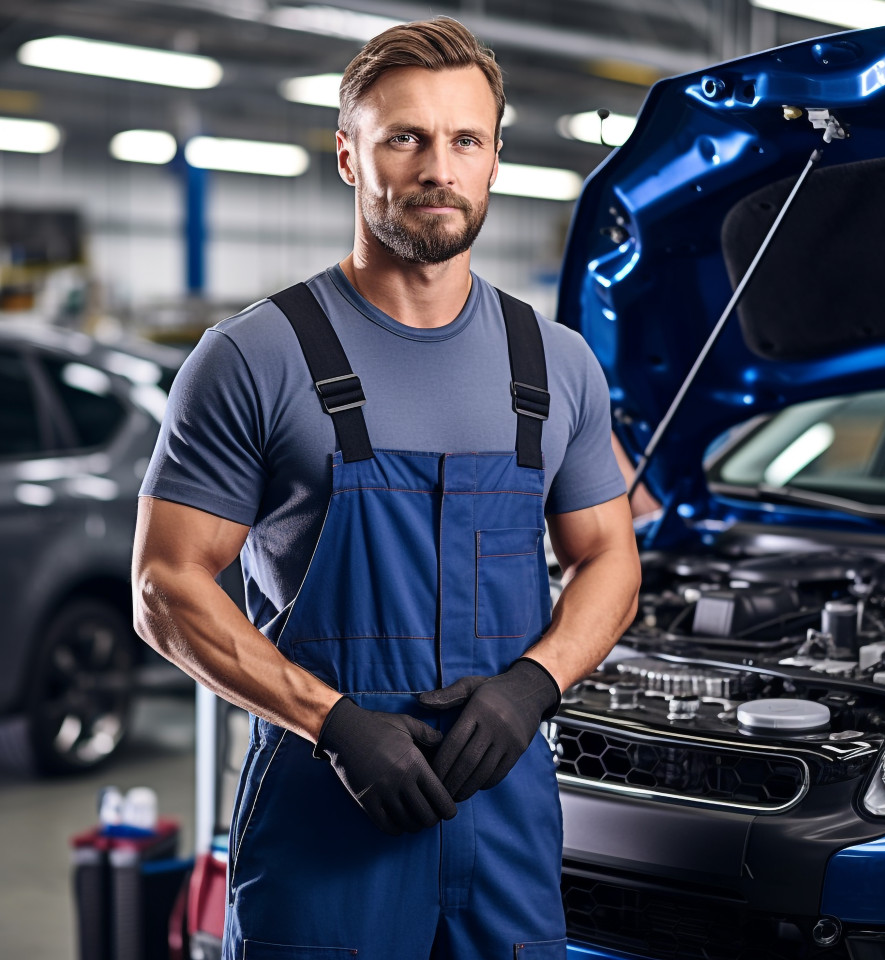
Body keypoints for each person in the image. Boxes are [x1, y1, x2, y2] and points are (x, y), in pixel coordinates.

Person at [132, 16, 640, 960]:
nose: (437, 167)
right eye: (404, 136)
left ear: (493, 159)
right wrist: (333, 726)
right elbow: (167, 588)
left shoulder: (557, 364)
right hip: (326, 835)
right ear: (348, 156)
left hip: (508, 835)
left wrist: (535, 684)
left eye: (465, 140)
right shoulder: (254, 358)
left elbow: (609, 554)